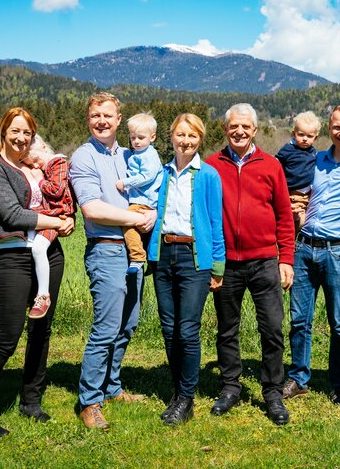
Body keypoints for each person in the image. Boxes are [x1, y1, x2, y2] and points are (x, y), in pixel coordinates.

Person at [0, 107, 75, 439]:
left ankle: (31, 401)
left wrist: (68, 220)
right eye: (16, 131)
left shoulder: (35, 167)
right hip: (14, 258)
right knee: (7, 338)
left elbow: (60, 198)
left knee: (41, 330)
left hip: (50, 254)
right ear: (3, 131)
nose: (21, 138)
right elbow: (13, 215)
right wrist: (57, 222)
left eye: (27, 132)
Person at [69, 92, 156, 431]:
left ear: (119, 119)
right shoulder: (84, 157)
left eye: (108, 115)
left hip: (135, 251)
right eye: (96, 116)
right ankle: (89, 401)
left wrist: (150, 216)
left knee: (127, 325)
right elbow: (91, 209)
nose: (102, 121)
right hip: (106, 250)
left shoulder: (130, 154)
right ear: (89, 120)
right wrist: (134, 219)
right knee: (106, 329)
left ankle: (112, 387)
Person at [205, 103, 295, 425]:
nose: (239, 132)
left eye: (246, 127)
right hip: (225, 264)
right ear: (225, 129)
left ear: (255, 130)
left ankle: (272, 391)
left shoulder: (271, 166)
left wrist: (286, 258)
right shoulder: (211, 166)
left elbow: (285, 217)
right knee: (227, 329)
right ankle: (231, 386)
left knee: (272, 328)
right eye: (234, 127)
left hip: (264, 262)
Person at [284, 103, 340, 405]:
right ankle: (298, 378)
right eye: (337, 127)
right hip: (303, 247)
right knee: (298, 320)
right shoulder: (314, 160)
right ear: (328, 129)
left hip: (337, 251)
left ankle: (339, 382)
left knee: (339, 321)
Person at [147, 113, 225, 426]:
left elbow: (216, 222)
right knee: (168, 328)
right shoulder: (161, 173)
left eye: (192, 136)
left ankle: (186, 398)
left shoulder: (208, 175)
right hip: (164, 254)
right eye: (181, 135)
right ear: (172, 136)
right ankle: (177, 390)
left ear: (200, 139)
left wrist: (217, 265)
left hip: (195, 258)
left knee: (187, 330)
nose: (186, 141)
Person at [23, 135, 75, 319]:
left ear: (44, 148)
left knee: (38, 249)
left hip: (56, 215)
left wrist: (39, 180)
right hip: (51, 214)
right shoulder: (49, 166)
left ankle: (43, 295)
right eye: (32, 165)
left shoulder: (58, 163)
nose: (36, 166)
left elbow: (57, 190)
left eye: (36, 161)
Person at [115, 112, 163, 276]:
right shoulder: (138, 154)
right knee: (147, 231)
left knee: (127, 223)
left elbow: (147, 176)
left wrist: (125, 183)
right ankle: (151, 259)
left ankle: (137, 256)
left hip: (144, 200)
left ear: (153, 137)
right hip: (142, 199)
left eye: (141, 138)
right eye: (133, 137)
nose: (136, 141)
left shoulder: (149, 155)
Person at [275, 111, 321, 234]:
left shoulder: (314, 152)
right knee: (293, 221)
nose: (305, 139)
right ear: (294, 134)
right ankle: (288, 243)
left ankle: (295, 242)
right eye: (301, 135)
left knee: (303, 223)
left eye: (310, 136)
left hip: (307, 196)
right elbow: (275, 164)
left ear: (315, 137)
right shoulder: (288, 150)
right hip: (291, 193)